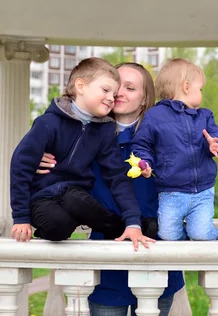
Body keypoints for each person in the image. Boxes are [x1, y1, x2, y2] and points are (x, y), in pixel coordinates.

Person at [37, 62, 185, 316]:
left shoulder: (166, 135)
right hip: (106, 250)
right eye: (116, 86)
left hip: (154, 249)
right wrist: (40, 159)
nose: (119, 93)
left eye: (130, 87)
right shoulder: (81, 132)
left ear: (144, 98)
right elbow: (56, 175)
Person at [9, 57, 154, 250]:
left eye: (124, 89)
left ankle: (127, 228)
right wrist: (20, 217)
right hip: (44, 198)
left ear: (144, 98)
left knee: (76, 200)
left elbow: (117, 176)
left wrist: (133, 223)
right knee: (58, 225)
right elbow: (21, 166)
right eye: (106, 90)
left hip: (77, 198)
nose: (113, 96)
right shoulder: (48, 123)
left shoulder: (104, 131)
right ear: (80, 86)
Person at [132, 58, 218, 241]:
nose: (201, 93)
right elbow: (142, 145)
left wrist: (215, 142)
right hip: (171, 191)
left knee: (200, 233)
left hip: (202, 190)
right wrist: (145, 164)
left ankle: (212, 237)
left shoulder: (205, 116)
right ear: (186, 86)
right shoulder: (154, 116)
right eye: (199, 88)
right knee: (167, 235)